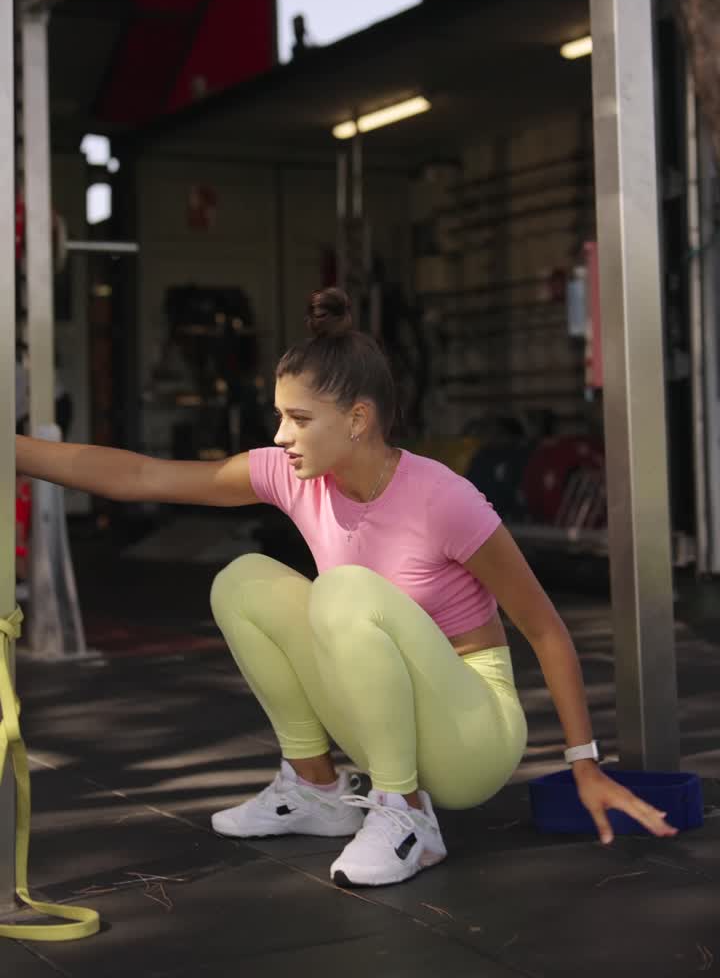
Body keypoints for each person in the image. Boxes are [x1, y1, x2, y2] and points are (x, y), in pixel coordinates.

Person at [15, 287, 678, 888]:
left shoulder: (445, 499)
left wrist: (586, 764)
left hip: (471, 735)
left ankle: (407, 814)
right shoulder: (291, 475)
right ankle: (319, 790)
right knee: (243, 581)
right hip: (385, 715)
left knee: (343, 592)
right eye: (280, 416)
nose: (281, 436)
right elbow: (142, 476)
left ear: (358, 419)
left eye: (299, 418)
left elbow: (543, 626)